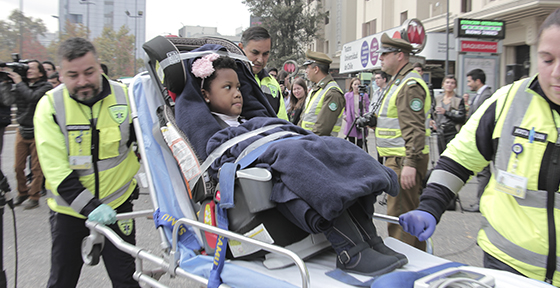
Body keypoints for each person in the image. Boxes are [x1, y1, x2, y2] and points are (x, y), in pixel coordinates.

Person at [189, 51, 406, 276]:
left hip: (277, 146)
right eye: (228, 88)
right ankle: (350, 250)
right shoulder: (215, 130)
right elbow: (219, 157)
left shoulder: (251, 121)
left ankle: (369, 239)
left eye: (238, 87)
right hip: (252, 191)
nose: (237, 93)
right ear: (205, 95)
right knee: (297, 159)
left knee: (331, 147)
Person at [399, 9, 560, 285]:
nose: (556, 73)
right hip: (505, 265)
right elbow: (458, 160)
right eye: (547, 59)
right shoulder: (509, 101)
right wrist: (430, 206)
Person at [34, 37, 140, 287]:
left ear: (99, 68)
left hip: (118, 207)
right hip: (69, 212)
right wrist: (89, 206)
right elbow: (56, 170)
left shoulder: (125, 98)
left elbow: (148, 147)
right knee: (63, 279)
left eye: (89, 72)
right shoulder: (50, 106)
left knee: (126, 279)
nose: (82, 81)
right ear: (60, 75)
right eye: (73, 75)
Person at [376, 33, 431, 250]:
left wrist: (410, 163)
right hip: (399, 158)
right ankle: (418, 260)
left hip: (402, 160)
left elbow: (415, 129)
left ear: (400, 55)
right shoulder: (399, 81)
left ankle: (405, 263)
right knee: (407, 214)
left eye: (385, 54)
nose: (380, 58)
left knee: (400, 217)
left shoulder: (409, 84)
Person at [5, 60, 53, 210]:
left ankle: (34, 196)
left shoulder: (45, 86)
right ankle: (22, 192)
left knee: (36, 168)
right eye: (27, 68)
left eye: (32, 68)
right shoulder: (21, 84)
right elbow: (10, 100)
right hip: (22, 128)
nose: (29, 71)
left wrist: (19, 83)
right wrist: (8, 82)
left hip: (38, 129)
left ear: (40, 72)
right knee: (18, 166)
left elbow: (32, 97)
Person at [238, 26, 288, 121]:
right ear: (241, 48)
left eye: (265, 54)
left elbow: (282, 121)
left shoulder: (273, 82)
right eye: (255, 53)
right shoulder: (231, 78)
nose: (260, 60)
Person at [463, 68, 493, 212]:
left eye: (470, 81)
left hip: (484, 139)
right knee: (483, 171)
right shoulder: (480, 95)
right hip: (480, 138)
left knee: (483, 171)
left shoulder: (486, 96)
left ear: (478, 81)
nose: (468, 84)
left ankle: (482, 202)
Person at [299, 50, 345, 136]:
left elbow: (322, 128)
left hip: (320, 144)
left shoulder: (332, 92)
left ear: (316, 69)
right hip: (308, 142)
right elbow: (304, 119)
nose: (306, 71)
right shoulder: (316, 89)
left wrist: (306, 142)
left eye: (307, 68)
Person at [430, 75, 466, 154]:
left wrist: (446, 112)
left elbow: (462, 117)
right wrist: (432, 121)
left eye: (452, 83)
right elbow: (432, 112)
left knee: (451, 156)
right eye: (447, 82)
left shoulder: (459, 99)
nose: (449, 85)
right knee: (441, 155)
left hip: (452, 132)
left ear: (455, 86)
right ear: (443, 84)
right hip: (440, 131)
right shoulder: (438, 98)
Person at [343, 78, 370, 148]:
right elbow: (344, 107)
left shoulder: (364, 96)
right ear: (351, 85)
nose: (357, 86)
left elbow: (367, 107)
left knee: (360, 142)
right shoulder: (347, 95)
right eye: (355, 84)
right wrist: (344, 116)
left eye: (358, 84)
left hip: (361, 120)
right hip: (351, 120)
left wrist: (367, 118)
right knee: (351, 142)